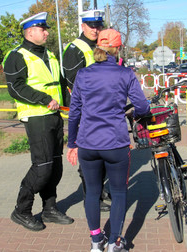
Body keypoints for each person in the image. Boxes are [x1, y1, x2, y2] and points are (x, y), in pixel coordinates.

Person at [66, 29, 150, 252]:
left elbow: (74, 112)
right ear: (118, 48)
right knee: (120, 192)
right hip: (115, 144)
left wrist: (72, 144)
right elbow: (142, 106)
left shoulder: (83, 75)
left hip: (87, 144)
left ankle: (95, 242)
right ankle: (114, 242)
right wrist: (131, 112)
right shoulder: (126, 74)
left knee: (92, 192)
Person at [2, 12, 74, 232]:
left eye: (46, 29)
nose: (46, 32)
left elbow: (60, 84)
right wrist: (44, 100)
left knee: (55, 166)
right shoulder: (16, 55)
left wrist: (74, 105)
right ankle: (21, 211)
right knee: (42, 167)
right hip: (36, 117)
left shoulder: (50, 55)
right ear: (30, 32)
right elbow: (16, 87)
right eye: (42, 29)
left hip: (54, 116)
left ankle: (49, 208)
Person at [63, 9, 111, 212]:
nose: (96, 29)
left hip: (101, 110)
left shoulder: (100, 46)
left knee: (103, 154)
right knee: (89, 157)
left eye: (99, 25)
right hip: (85, 112)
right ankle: (91, 197)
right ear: (82, 26)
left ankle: (98, 190)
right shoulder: (75, 49)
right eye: (92, 25)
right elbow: (74, 83)